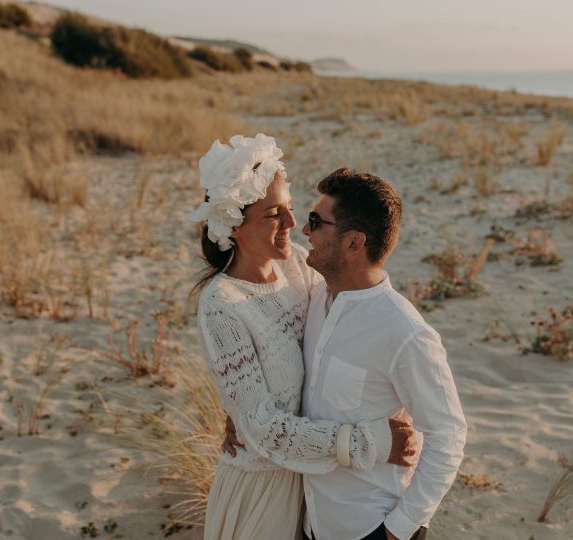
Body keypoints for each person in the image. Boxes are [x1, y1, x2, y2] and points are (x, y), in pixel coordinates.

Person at [189, 135, 417, 540]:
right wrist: (368, 442)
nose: (292, 225)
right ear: (234, 226)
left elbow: (349, 311)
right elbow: (262, 430)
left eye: (290, 209)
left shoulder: (297, 264)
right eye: (273, 214)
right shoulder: (221, 305)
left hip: (320, 489)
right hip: (264, 490)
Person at [294, 168, 468, 540]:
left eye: (315, 222)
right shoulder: (312, 299)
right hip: (311, 521)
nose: (305, 231)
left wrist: (401, 528)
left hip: (369, 527)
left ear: (354, 243)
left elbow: (448, 436)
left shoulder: (405, 333)